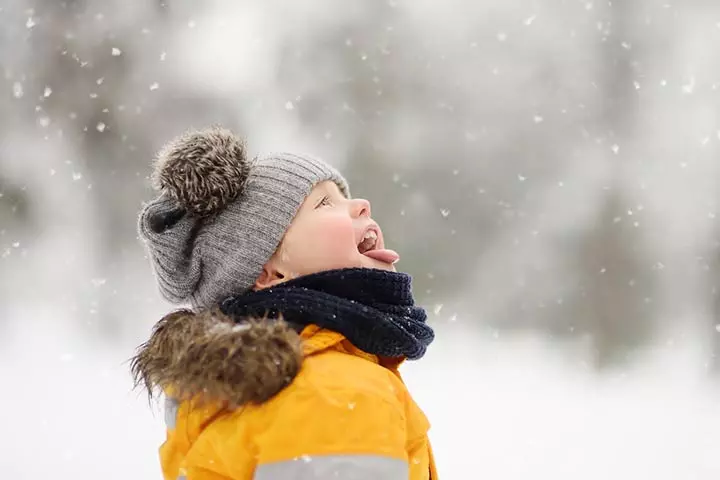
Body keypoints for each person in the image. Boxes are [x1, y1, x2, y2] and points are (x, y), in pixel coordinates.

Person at [131, 127, 437, 479]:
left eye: (342, 196)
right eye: (325, 203)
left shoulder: (253, 391)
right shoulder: (334, 394)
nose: (362, 204)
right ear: (270, 274)